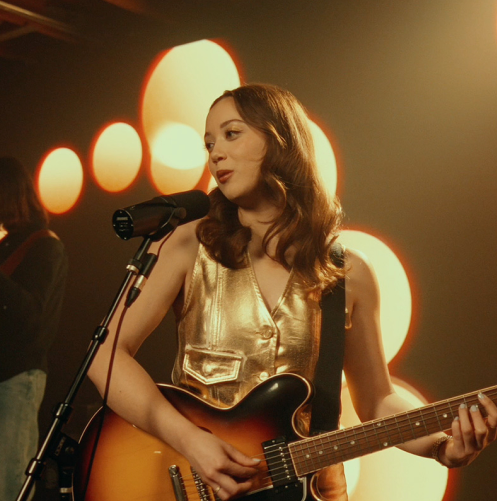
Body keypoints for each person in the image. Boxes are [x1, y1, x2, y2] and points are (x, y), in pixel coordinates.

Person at [88, 84, 497, 501]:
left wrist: (442, 447)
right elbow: (104, 355)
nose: (215, 154)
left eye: (231, 134)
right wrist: (190, 440)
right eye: (209, 143)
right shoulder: (187, 244)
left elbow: (377, 402)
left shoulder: (349, 272)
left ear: (280, 140)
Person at [0, 157, 68, 501]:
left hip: (16, 378)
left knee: (10, 482)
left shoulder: (44, 245)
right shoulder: (6, 246)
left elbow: (32, 315)